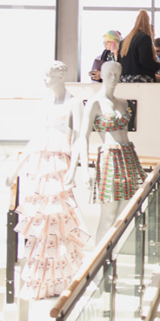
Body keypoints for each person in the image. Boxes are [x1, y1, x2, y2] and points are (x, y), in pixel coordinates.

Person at [7, 61, 90, 300]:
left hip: (59, 163)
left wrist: (77, 169)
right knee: (40, 221)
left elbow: (79, 138)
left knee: (60, 219)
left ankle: (64, 279)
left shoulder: (74, 102)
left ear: (60, 76)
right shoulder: (45, 103)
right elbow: (36, 139)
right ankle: (44, 283)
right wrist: (15, 171)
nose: (45, 80)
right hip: (40, 165)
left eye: (48, 76)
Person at [68, 61, 146, 242]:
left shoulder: (123, 102)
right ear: (101, 75)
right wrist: (85, 169)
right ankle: (99, 261)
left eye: (117, 74)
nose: (114, 78)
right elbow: (82, 137)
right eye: (109, 74)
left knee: (124, 213)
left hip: (129, 157)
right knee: (108, 214)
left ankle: (110, 255)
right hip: (110, 157)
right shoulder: (95, 103)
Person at [118, 11, 160, 82]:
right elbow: (145, 60)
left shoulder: (124, 41)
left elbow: (119, 62)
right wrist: (158, 66)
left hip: (123, 80)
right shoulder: (144, 38)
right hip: (140, 79)